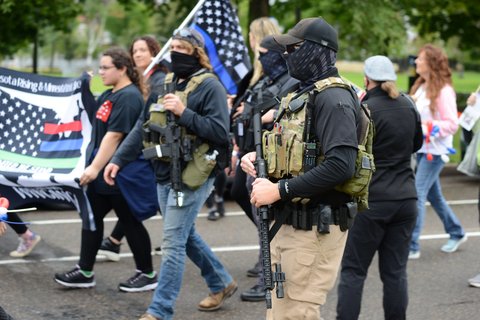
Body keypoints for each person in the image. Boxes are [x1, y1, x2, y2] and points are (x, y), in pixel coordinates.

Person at [103, 28, 236, 320]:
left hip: (194, 173)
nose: (175, 52)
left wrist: (184, 112)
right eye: (172, 46)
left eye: (182, 48)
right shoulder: (164, 83)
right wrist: (118, 159)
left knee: (173, 242)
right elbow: (142, 125)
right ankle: (222, 282)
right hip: (164, 171)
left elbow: (219, 132)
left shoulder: (209, 86)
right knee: (184, 236)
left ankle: (160, 310)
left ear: (196, 53)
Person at [241, 17, 361, 319]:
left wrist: (278, 190)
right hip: (289, 224)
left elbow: (341, 165)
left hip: (314, 230)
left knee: (297, 313)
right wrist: (260, 159)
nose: (286, 55)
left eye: (294, 48)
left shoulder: (334, 99)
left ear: (317, 51)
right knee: (280, 313)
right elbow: (298, 149)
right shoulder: (303, 93)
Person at [54, 47, 157, 293]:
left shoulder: (129, 97)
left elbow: (114, 137)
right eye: (100, 68)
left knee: (129, 222)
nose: (101, 72)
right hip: (105, 173)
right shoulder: (111, 94)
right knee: (91, 218)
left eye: (105, 68)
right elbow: (93, 118)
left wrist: (94, 168)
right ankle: (85, 271)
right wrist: (84, 88)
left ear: (122, 69)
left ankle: (147, 274)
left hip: (119, 173)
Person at [336, 56, 423, 320]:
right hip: (406, 198)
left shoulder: (365, 109)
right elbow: (416, 144)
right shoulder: (408, 105)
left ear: (366, 79)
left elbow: (351, 153)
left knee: (353, 271)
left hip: (372, 201)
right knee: (395, 273)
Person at [98, 35, 169, 261]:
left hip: (155, 149)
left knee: (158, 200)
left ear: (155, 52)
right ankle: (115, 241)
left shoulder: (159, 79)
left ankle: (173, 243)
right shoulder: (140, 79)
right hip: (139, 148)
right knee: (140, 202)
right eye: (134, 50)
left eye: (143, 50)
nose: (137, 54)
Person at [240, 35, 298, 303]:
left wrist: (269, 114)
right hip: (258, 153)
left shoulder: (291, 80)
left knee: (268, 221)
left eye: (265, 53)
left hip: (277, 160)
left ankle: (269, 279)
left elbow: (292, 113)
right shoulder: (269, 79)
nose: (261, 58)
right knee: (264, 219)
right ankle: (270, 273)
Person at [230, 16, 282, 279]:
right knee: (241, 192)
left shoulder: (277, 71)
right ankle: (267, 248)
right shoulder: (256, 73)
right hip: (249, 143)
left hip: (263, 145)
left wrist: (248, 110)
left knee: (255, 201)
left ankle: (270, 258)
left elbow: (272, 104)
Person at [408, 44, 467, 259]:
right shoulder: (421, 87)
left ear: (431, 63)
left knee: (417, 193)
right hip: (422, 149)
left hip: (436, 152)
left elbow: (452, 124)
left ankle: (412, 246)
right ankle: (457, 231)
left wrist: (424, 129)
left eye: (420, 59)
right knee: (435, 196)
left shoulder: (444, 91)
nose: (416, 61)